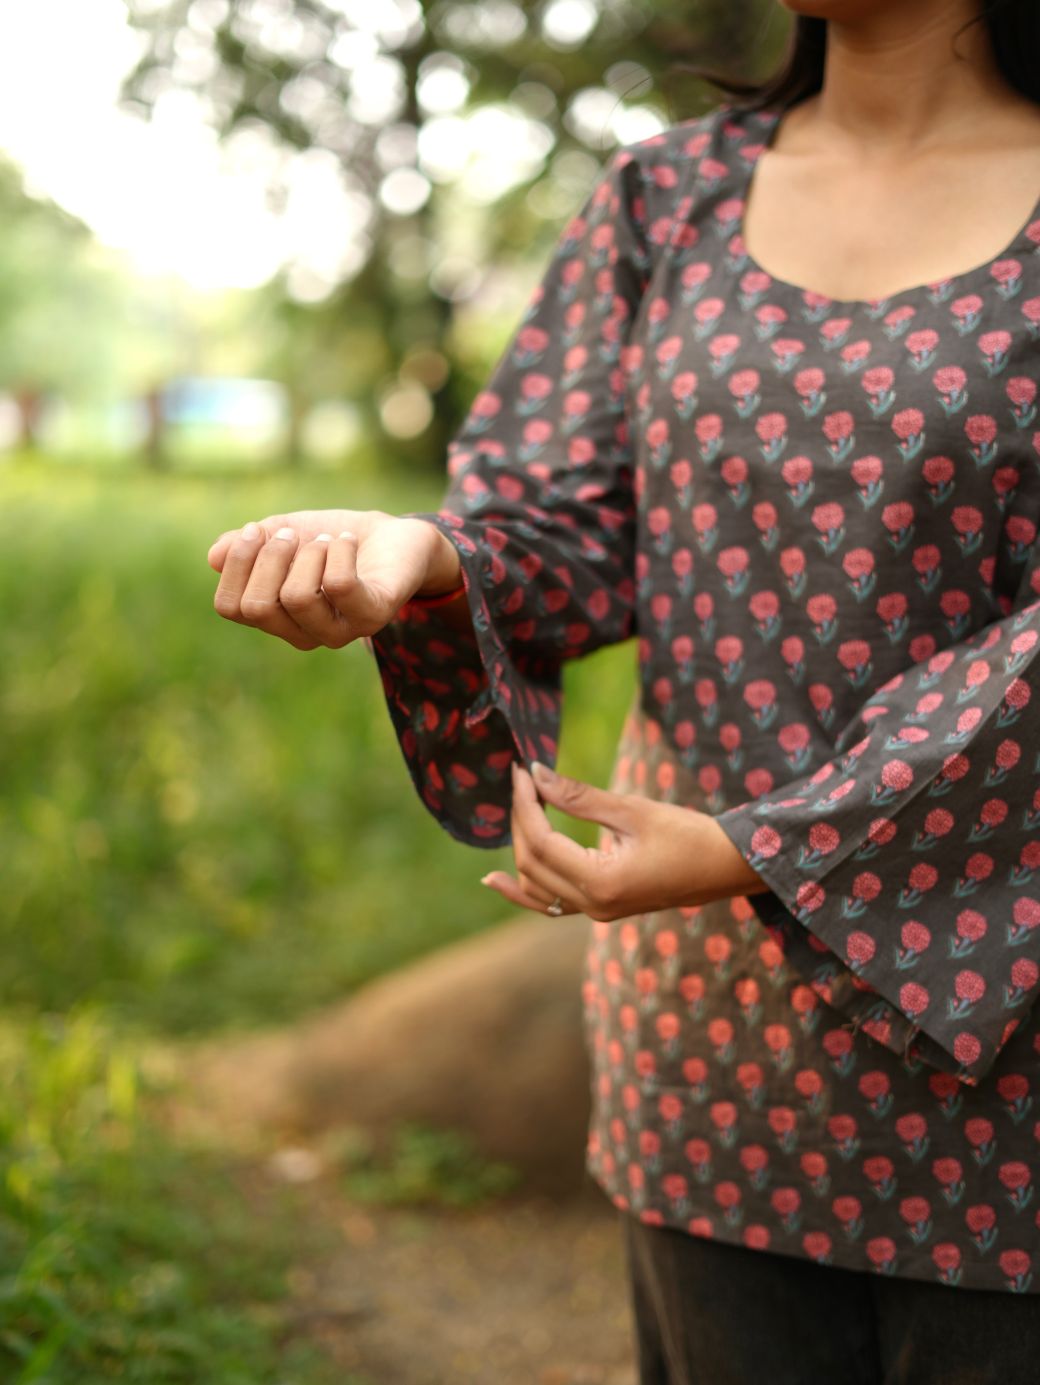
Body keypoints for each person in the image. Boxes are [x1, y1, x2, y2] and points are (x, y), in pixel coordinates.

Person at [206, 1, 1040, 1379]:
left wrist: (757, 843)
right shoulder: (669, 197)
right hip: (706, 1039)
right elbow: (572, 518)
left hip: (1004, 1048)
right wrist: (428, 560)